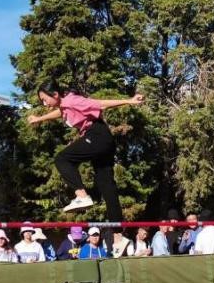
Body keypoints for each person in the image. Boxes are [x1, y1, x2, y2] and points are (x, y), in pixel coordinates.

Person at [27, 80, 144, 219]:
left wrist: (129, 101)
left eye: (45, 100)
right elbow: (60, 112)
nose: (44, 104)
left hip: (97, 135)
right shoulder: (65, 105)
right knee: (105, 182)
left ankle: (82, 196)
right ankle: (117, 228)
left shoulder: (72, 101)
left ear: (55, 94)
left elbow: (99, 104)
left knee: (62, 159)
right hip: (104, 138)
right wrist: (39, 119)